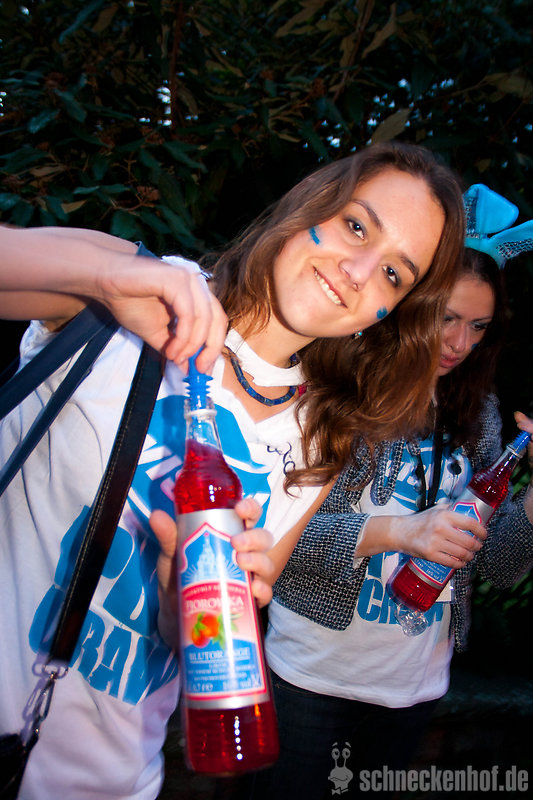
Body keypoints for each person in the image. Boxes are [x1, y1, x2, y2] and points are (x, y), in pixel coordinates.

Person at [0, 141, 465, 800]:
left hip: (115, 780)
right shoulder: (144, 284)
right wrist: (105, 281)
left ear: (388, 313)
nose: (359, 271)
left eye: (394, 273)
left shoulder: (319, 440)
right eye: (356, 226)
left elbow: (195, 638)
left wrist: (178, 595)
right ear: (310, 203)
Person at [247, 183, 533, 800]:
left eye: (478, 327)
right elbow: (278, 542)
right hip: (312, 677)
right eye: (447, 319)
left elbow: (503, 564)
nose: (460, 344)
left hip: (415, 688)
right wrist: (402, 532)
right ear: (413, 303)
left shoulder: (480, 411)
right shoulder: (340, 386)